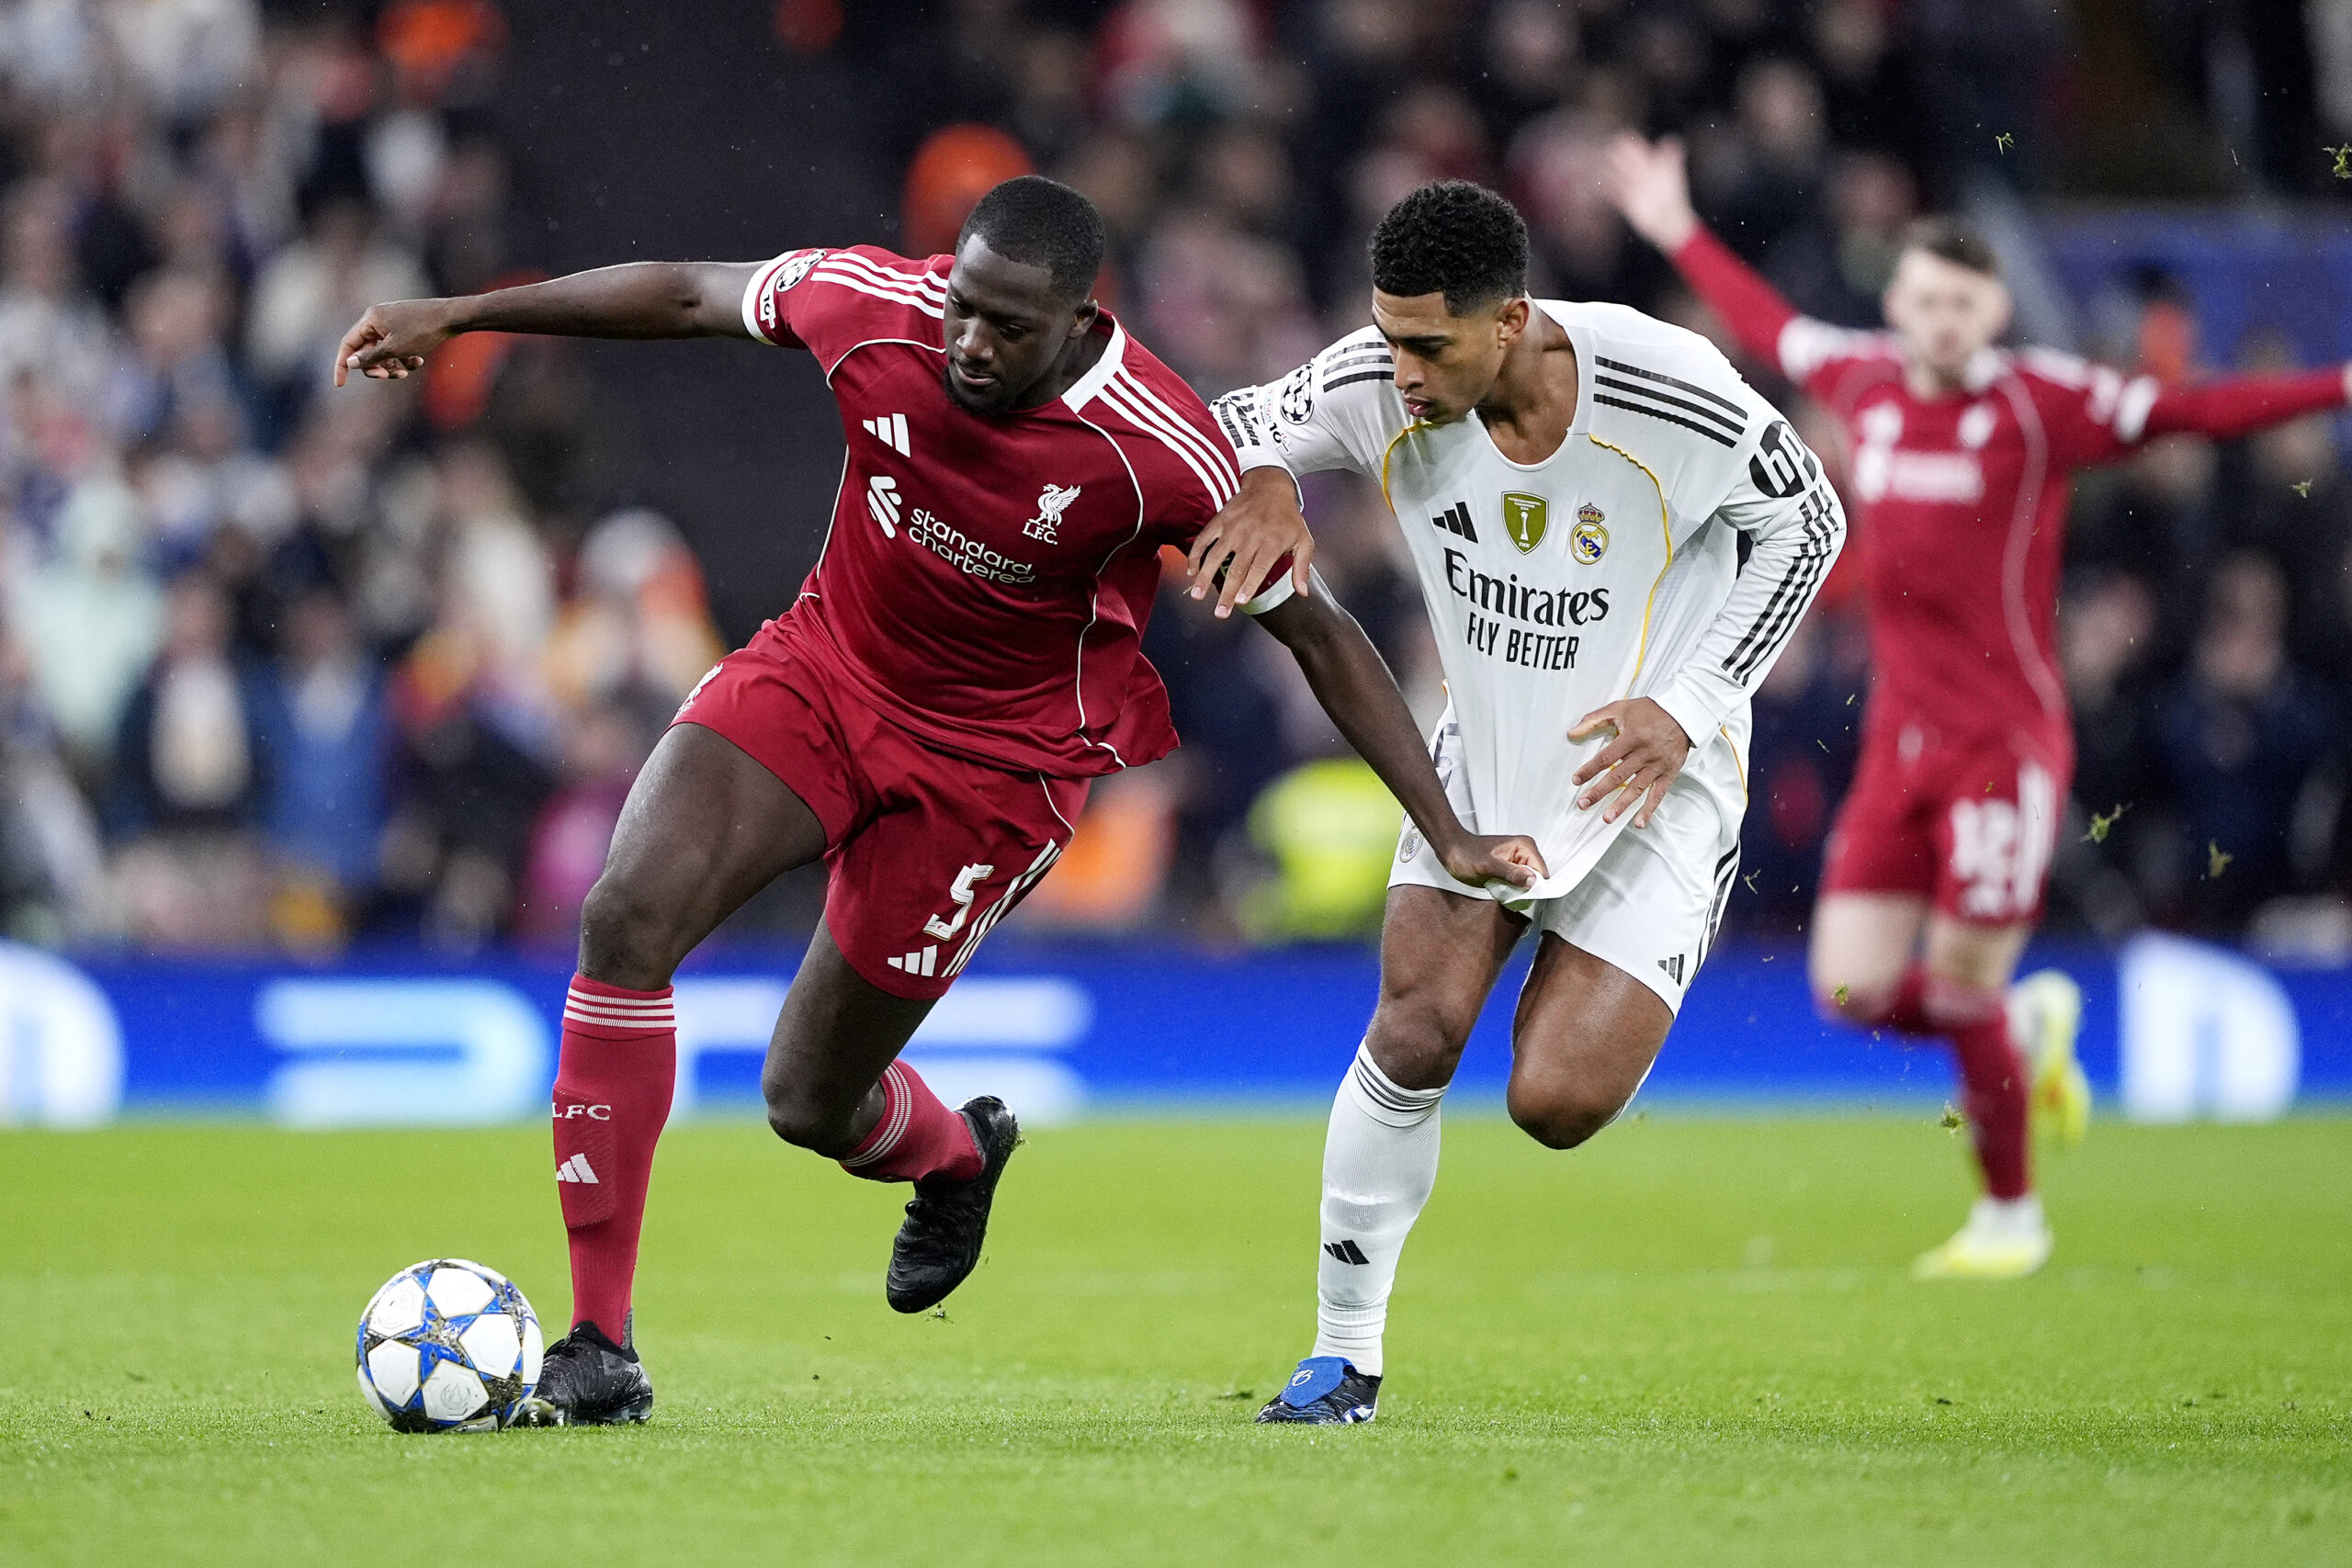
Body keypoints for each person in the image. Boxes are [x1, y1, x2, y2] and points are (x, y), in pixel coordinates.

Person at [334, 175, 1541, 1425]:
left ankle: (958, 1153)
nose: (969, 340)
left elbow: (1322, 634)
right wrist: (463, 314)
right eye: (963, 306)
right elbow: (687, 292)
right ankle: (599, 1344)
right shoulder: (869, 305)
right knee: (623, 917)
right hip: (822, 672)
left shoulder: (1159, 447)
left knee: (807, 1099)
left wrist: (1445, 827)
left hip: (991, 775)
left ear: (1080, 323)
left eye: (1008, 326)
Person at [1601, 134, 2352, 1278]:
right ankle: (2026, 1023)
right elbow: (1766, 325)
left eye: (1963, 303)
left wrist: (2334, 386)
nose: (1942, 321)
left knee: (1959, 986)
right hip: (1898, 741)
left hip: (2003, 742)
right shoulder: (1860, 379)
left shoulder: (2040, 403)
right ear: (1897, 304)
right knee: (1848, 988)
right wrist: (1673, 227)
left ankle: (2012, 1217)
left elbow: (2193, 411)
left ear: (1994, 311)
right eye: (1925, 301)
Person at [1207, 180, 1845, 1424]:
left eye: (1428, 345)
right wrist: (1268, 473)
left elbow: (1808, 522)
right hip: (1488, 750)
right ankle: (1343, 1355)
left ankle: (1635, 923)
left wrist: (1689, 704)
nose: (1400, 371)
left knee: (1555, 1102)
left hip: (1653, 771)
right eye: (1387, 336)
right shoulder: (1376, 378)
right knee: (1415, 1029)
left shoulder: (1665, 385)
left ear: (1510, 319)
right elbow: (1232, 416)